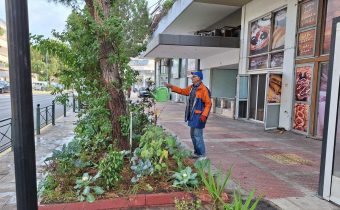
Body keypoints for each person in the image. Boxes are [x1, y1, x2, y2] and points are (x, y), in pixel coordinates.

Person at [164, 71, 211, 161]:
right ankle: (197, 153)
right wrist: (171, 87)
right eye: (192, 76)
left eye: (194, 76)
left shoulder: (204, 89)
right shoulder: (192, 88)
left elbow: (208, 104)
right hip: (192, 115)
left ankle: (202, 155)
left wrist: (204, 115)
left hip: (199, 116)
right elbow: (182, 91)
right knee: (193, 135)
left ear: (199, 78)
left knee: (197, 135)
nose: (192, 78)